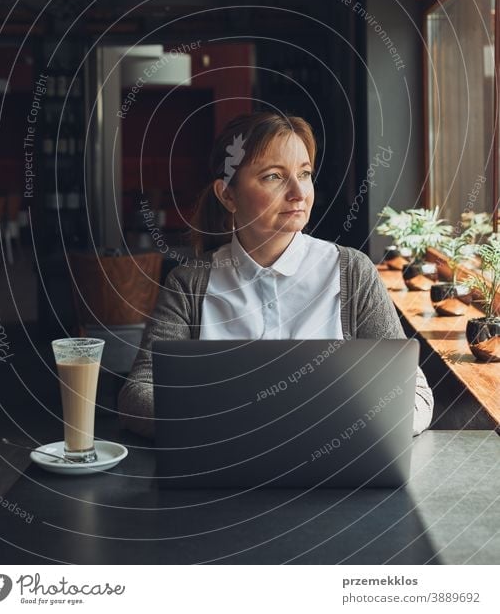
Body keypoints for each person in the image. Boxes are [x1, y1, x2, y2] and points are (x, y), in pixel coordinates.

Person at [118, 112, 434, 439]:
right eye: (273, 176)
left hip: (331, 480)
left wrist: (346, 426)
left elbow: (416, 394)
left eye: (305, 173)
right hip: (222, 482)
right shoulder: (189, 285)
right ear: (227, 194)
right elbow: (138, 394)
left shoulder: (352, 273)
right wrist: (236, 425)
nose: (299, 192)